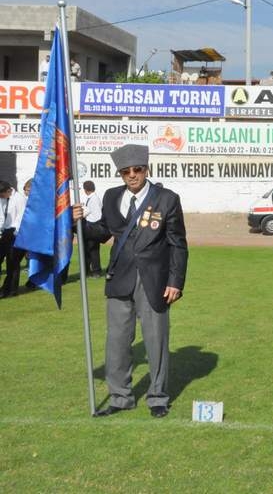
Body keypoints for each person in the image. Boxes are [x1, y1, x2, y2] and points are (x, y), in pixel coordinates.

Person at [74, 144, 188, 418]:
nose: (132, 175)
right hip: (119, 278)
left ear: (146, 170)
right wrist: (75, 221)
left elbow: (178, 244)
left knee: (156, 340)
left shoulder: (167, 198)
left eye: (137, 170)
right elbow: (102, 232)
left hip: (155, 281)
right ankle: (120, 397)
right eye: (126, 171)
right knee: (116, 341)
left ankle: (158, 397)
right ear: (121, 174)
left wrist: (176, 281)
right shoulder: (112, 197)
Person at [0, 181, 27, 298]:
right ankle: (5, 288)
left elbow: (22, 216)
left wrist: (16, 233)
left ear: (8, 191)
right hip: (4, 232)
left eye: (2, 195)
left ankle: (11, 289)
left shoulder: (19, 198)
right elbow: (1, 216)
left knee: (12, 262)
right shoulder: (3, 198)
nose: (1, 197)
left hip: (15, 232)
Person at [82, 180, 105, 277]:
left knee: (93, 250)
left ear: (85, 190)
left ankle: (96, 271)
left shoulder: (94, 199)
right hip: (91, 227)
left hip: (93, 227)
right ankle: (88, 270)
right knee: (88, 250)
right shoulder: (92, 198)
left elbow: (97, 216)